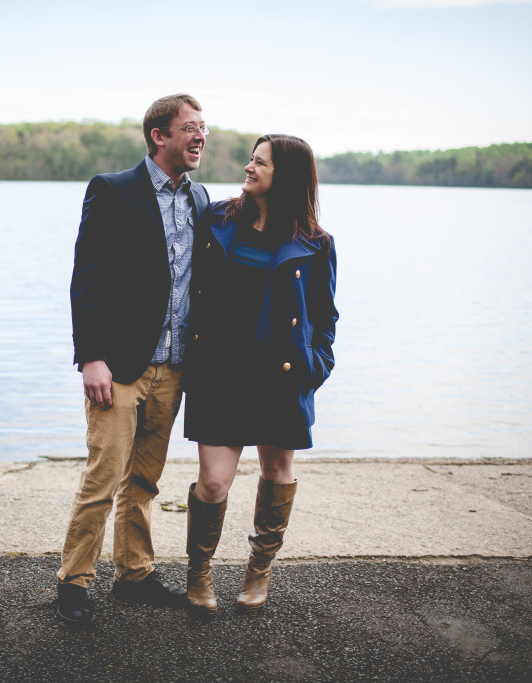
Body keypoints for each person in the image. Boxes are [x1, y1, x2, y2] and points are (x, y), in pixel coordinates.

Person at [56, 94, 212, 625]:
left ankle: (135, 573)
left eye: (204, 128)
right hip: (120, 365)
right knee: (104, 477)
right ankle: (74, 584)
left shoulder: (201, 198)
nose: (200, 137)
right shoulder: (113, 190)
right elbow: (87, 277)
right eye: (190, 128)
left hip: (173, 365)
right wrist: (90, 357)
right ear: (158, 136)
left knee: (144, 481)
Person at [182, 134, 338, 616]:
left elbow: (325, 317)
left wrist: (314, 367)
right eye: (251, 159)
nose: (249, 168)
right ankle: (199, 572)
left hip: (279, 378)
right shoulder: (219, 219)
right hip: (219, 375)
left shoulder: (315, 243)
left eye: (261, 162)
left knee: (276, 472)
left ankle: (259, 570)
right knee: (212, 483)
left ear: (285, 175)